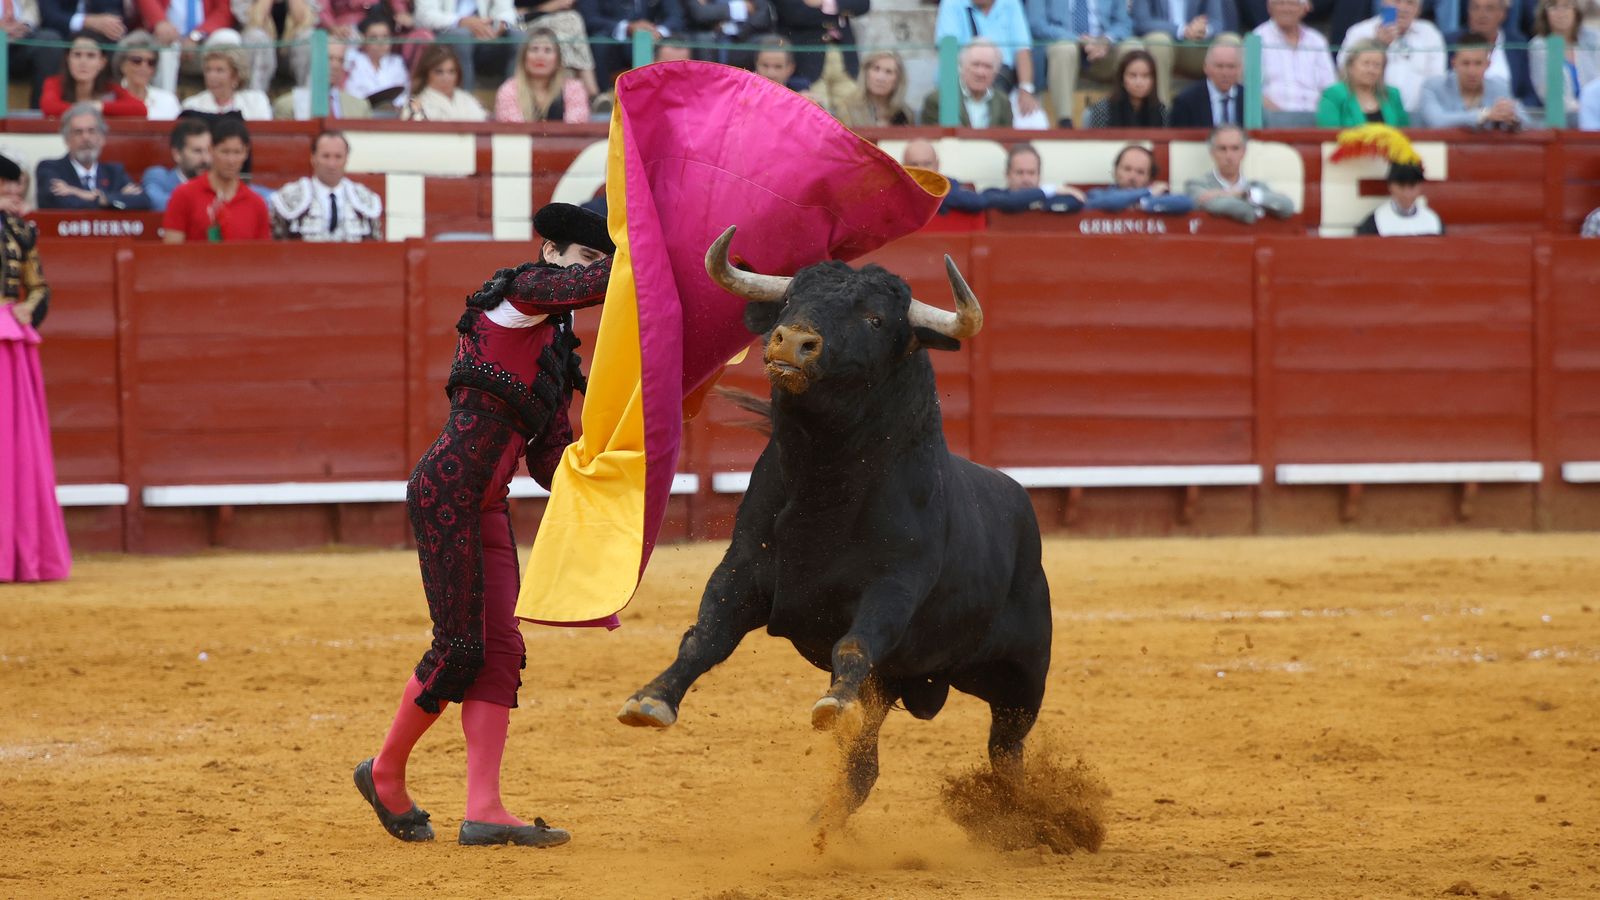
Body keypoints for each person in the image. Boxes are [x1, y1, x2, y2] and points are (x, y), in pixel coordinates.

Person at [353, 202, 614, 849]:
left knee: (501, 649)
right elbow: (586, 287)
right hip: (447, 491)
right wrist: (645, 258)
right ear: (551, 252)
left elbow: (551, 462)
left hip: (488, 504)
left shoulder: (553, 349)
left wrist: (608, 472)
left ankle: (485, 809)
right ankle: (385, 772)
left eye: (598, 260)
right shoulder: (520, 292)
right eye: (582, 256)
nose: (590, 271)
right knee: (461, 647)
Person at [0, 152, 70, 585]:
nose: (12, 200)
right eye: (5, 191)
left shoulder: (23, 232)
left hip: (9, 341)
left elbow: (40, 285)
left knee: (15, 446)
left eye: (16, 192)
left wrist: (28, 306)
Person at [1028, 0, 1141, 127]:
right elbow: (1036, 24)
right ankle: (1065, 122)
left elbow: (1124, 23)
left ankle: (1136, 117)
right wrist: (1077, 40)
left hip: (1104, 50)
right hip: (1065, 47)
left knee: (1134, 48)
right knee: (1064, 48)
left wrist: (1106, 39)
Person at [161, 118, 271, 242]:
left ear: (246, 153)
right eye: (225, 152)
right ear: (211, 150)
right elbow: (171, 252)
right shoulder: (184, 195)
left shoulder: (257, 203)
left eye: (237, 152)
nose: (231, 160)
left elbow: (262, 256)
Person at [935, 0, 1040, 119]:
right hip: (962, 79)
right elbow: (948, 55)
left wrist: (1025, 90)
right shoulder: (951, 3)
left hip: (1003, 79)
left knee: (1032, 115)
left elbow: (1022, 51)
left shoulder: (1011, 4)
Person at [269, 131, 383, 241]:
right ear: (313, 158)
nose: (331, 164)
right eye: (325, 156)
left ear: (346, 159)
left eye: (338, 156)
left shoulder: (365, 199)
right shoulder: (289, 197)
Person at [1338, 0, 1446, 113]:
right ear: (1384, 3)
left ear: (1418, 10)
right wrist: (1379, 45)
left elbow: (1437, 82)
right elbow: (1344, 71)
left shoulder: (1430, 34)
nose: (1402, 8)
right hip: (1370, 113)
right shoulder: (1360, 32)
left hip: (1418, 116)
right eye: (1397, 1)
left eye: (1410, 3)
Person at [36, 103, 150, 210]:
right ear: (67, 140)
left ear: (102, 138)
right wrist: (116, 198)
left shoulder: (114, 172)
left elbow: (143, 201)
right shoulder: (49, 168)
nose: (86, 138)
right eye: (78, 132)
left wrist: (79, 193)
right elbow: (59, 202)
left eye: (91, 131)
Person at [1132, 0, 1240, 106]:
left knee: (1231, 41)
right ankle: (1161, 113)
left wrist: (1204, 30)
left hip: (1198, 46)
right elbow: (1142, 22)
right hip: (1165, 43)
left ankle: (1235, 113)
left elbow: (1217, 22)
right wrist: (1182, 30)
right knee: (1158, 41)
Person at [1416, 32, 1534, 128]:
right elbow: (1437, 122)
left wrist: (1513, 119)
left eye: (1478, 64)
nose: (1471, 71)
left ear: (1488, 65)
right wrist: (1484, 115)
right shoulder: (1432, 87)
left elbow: (1529, 123)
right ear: (1454, 64)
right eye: (1465, 63)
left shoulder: (1499, 86)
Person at [1184, 124, 1296, 223]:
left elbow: (1287, 207)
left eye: (1235, 148)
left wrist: (1239, 194)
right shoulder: (1196, 185)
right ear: (1212, 152)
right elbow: (1245, 213)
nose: (1229, 156)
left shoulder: (1255, 186)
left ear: (1243, 152)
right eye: (1222, 149)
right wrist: (1255, 199)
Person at [1253, 0, 1336, 126]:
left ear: (1305, 8)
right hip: (1273, 120)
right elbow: (1251, 90)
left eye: (1292, 4)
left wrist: (1322, 114)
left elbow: (1330, 87)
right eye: (1280, 3)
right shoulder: (1257, 38)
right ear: (1269, 7)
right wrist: (1280, 117)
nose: (1286, 9)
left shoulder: (1317, 40)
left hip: (1317, 119)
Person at [414, 0, 518, 91]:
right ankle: (466, 102)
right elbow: (424, 16)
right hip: (446, 32)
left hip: (486, 34)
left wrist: (501, 23)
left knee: (518, 36)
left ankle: (514, 101)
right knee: (462, 36)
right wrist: (460, 21)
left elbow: (507, 11)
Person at [578, 0, 683, 89]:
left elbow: (675, 16)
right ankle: (602, 98)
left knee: (677, 46)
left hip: (651, 38)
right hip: (612, 39)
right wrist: (626, 27)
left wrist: (657, 31)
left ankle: (667, 97)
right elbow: (590, 18)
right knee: (600, 41)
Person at [136, 0, 236, 94]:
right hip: (168, 38)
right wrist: (159, 21)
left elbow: (223, 11)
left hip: (203, 40)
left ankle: (225, 103)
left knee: (228, 38)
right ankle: (166, 103)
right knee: (165, 47)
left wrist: (196, 36)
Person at [40, 31, 148, 117]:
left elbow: (140, 109)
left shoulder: (110, 87)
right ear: (68, 59)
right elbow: (49, 107)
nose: (83, 62)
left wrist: (99, 106)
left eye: (91, 55)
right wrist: (90, 109)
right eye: (77, 55)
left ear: (102, 62)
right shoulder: (54, 82)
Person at [494, 27, 590, 122]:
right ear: (524, 58)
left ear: (558, 60)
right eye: (534, 49)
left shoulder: (573, 89)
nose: (540, 56)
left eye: (547, 50)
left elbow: (575, 127)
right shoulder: (509, 90)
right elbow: (513, 130)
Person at [1452, 0, 1536, 105]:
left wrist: (1514, 108)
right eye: (1475, 8)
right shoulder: (1452, 42)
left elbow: (1530, 95)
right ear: (1468, 12)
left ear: (1503, 14)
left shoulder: (1517, 44)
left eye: (1489, 8)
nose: (1481, 14)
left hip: (1507, 116)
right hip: (1462, 115)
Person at [771, 0, 865, 90]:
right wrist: (838, 12)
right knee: (815, 104)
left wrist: (824, 3)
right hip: (808, 59)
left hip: (843, 56)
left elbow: (862, 5)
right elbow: (794, 12)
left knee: (851, 103)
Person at [1530, 0, 1600, 120]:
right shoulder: (1539, 46)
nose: (1561, 12)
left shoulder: (1593, 38)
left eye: (1567, 6)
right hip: (1565, 118)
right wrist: (1586, 110)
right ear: (1544, 13)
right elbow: (1551, 97)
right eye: (1553, 7)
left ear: (1576, 11)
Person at [919, 38, 1013, 128]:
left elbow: (1008, 140)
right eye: (975, 65)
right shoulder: (938, 100)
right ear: (961, 67)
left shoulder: (1003, 103)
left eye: (987, 66)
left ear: (996, 72)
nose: (980, 73)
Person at [274, 38, 375, 119]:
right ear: (313, 60)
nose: (335, 65)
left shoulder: (360, 107)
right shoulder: (288, 106)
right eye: (329, 58)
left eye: (340, 60)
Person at [1317, 38, 1409, 126]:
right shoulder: (1333, 95)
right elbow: (1329, 134)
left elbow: (1406, 133)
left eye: (1377, 65)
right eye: (1366, 63)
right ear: (1351, 66)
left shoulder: (1392, 95)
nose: (1371, 70)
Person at [1082, 144, 1194, 213]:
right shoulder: (1097, 194)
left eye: (1140, 172)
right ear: (1116, 171)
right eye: (1127, 169)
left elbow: (1186, 202)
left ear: (1149, 178)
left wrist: (1144, 204)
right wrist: (1148, 192)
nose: (1132, 177)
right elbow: (1110, 202)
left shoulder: (1153, 198)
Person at [233, 0, 317, 90]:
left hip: (291, 53)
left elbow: (305, 20)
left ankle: (309, 95)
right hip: (260, 51)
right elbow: (255, 20)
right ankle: (255, 96)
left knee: (309, 37)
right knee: (256, 37)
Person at [980, 142, 1086, 212]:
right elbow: (1011, 202)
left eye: (1031, 173)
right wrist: (1051, 190)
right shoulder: (992, 194)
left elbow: (1076, 202)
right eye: (1019, 172)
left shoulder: (1047, 199)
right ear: (1007, 175)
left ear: (1039, 176)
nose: (1026, 179)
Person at [181, 42, 273, 120]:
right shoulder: (192, 105)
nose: (211, 76)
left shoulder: (255, 102)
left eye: (219, 70)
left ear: (236, 76)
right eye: (208, 70)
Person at [1167, 38, 1243, 127]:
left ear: (1239, 69)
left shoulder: (1249, 99)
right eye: (1219, 66)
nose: (1225, 73)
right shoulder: (1186, 101)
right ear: (1206, 67)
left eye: (1231, 66)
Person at [402, 44, 490, 120]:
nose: (446, 78)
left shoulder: (471, 101)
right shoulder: (415, 106)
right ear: (426, 74)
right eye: (439, 72)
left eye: (451, 71)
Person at [831, 49, 915, 128]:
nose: (880, 78)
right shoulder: (846, 110)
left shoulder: (905, 114)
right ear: (866, 73)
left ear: (898, 80)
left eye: (889, 72)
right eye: (876, 69)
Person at [346, 8, 412, 107]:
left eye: (385, 37)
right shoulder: (353, 61)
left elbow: (404, 93)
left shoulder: (397, 62)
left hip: (393, 115)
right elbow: (351, 93)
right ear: (363, 39)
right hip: (361, 114)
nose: (380, 42)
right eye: (373, 37)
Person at [142, 117, 212, 211]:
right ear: (177, 154)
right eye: (197, 151)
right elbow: (156, 203)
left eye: (209, 150)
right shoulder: (159, 178)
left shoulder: (218, 180)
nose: (205, 159)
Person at [1356, 159, 1443, 235]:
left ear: (1420, 187)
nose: (1406, 194)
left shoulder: (1432, 221)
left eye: (1412, 187)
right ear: (1390, 186)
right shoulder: (1374, 223)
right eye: (1401, 187)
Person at [1084, 48, 1167, 126]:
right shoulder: (1103, 110)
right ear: (1122, 79)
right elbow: (1098, 141)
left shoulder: (1161, 111)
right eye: (1132, 75)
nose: (1139, 83)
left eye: (1145, 76)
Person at [901, 138, 987, 213]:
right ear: (903, 167)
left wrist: (935, 196)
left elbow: (976, 202)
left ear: (937, 164)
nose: (921, 170)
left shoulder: (948, 185)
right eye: (914, 165)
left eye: (927, 164)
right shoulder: (894, 192)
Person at [683, 0, 774, 70]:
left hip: (744, 37)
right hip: (710, 40)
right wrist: (740, 7)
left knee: (771, 45)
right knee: (703, 40)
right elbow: (701, 13)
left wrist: (737, 31)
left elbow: (763, 15)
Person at [8, 0, 65, 109]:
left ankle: (38, 113)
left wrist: (23, 27)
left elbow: (30, 9)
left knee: (49, 41)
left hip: (18, 42)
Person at [115, 31, 181, 119]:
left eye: (151, 62)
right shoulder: (111, 98)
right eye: (137, 61)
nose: (144, 67)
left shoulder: (168, 100)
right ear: (122, 65)